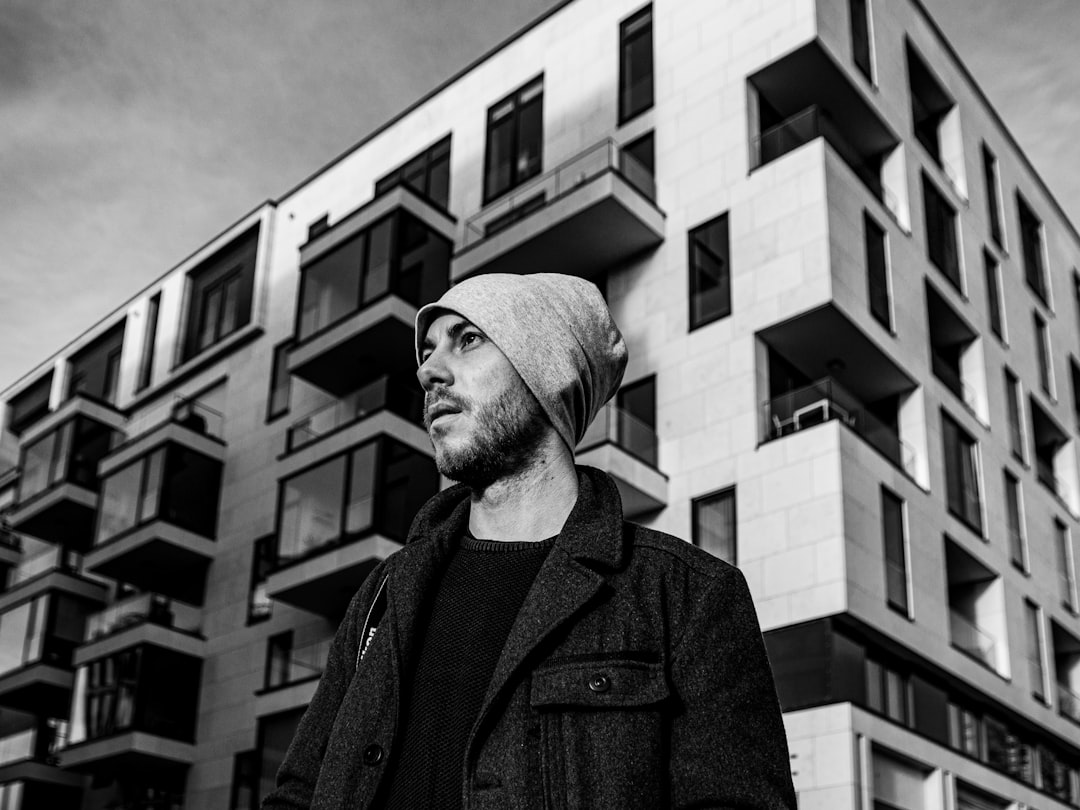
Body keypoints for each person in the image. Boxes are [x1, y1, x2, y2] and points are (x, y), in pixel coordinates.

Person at [263, 273, 796, 809]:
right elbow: (299, 792)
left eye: (468, 339)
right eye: (427, 351)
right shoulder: (384, 594)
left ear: (550, 372)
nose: (428, 371)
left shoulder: (685, 596)